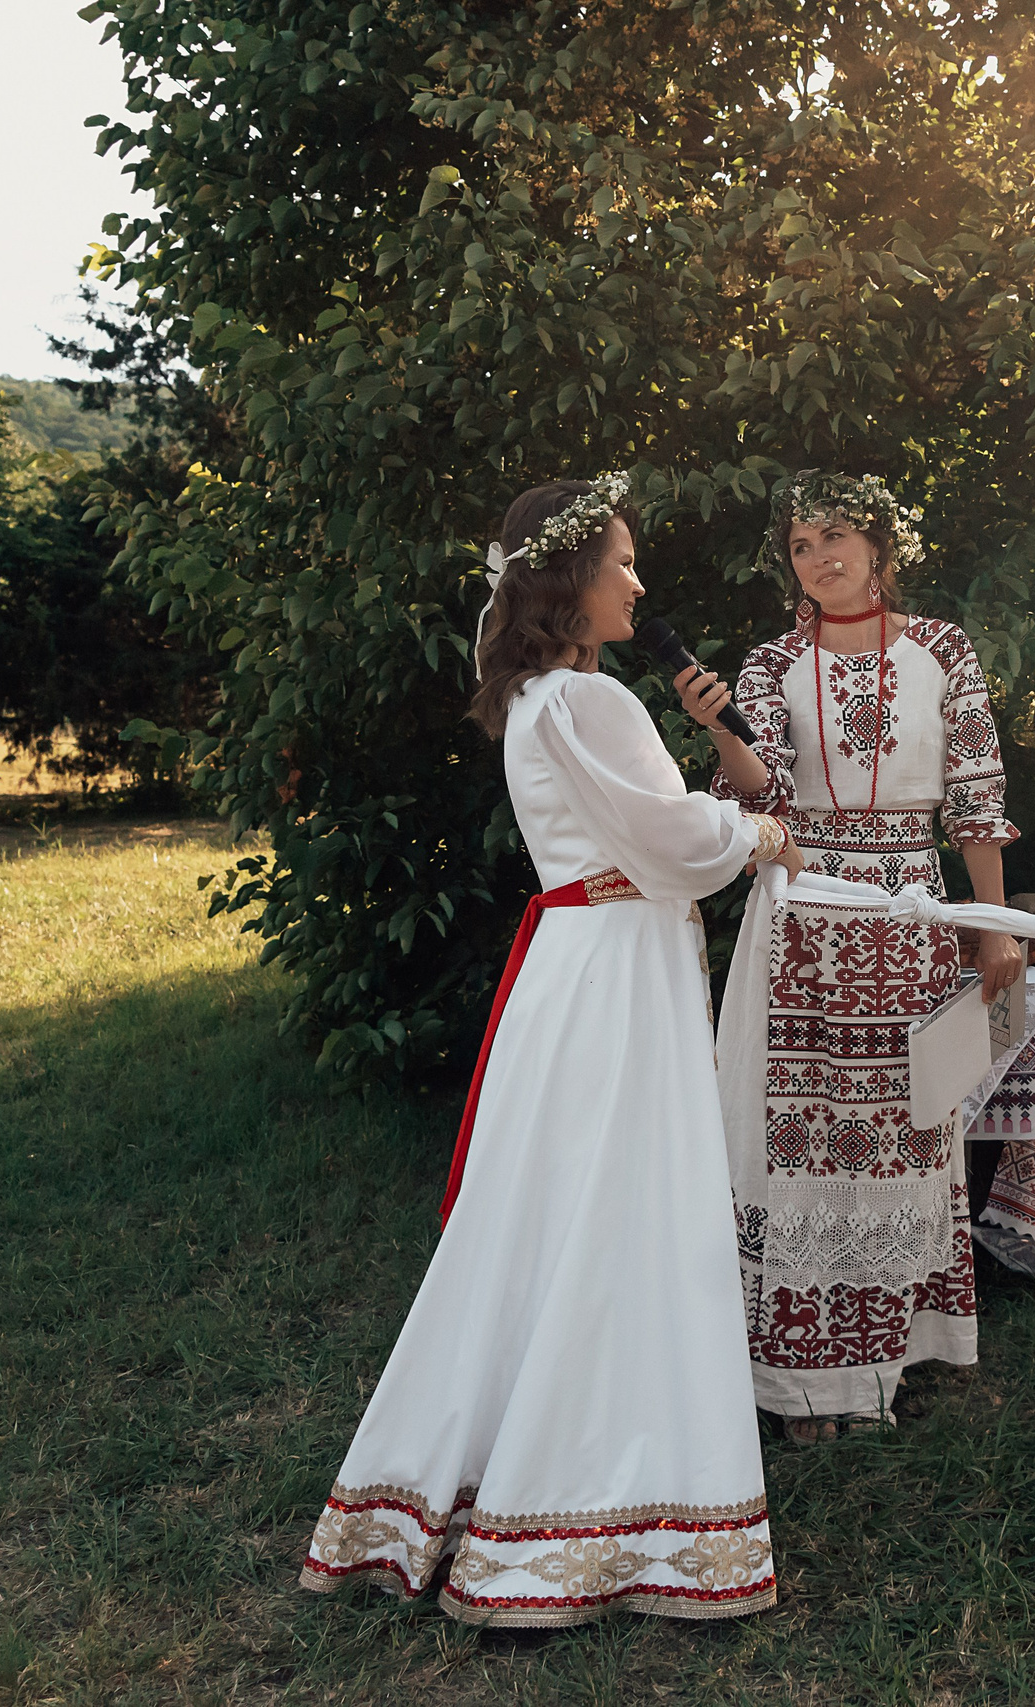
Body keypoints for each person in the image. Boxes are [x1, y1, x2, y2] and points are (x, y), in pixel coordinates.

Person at [299, 476, 800, 1626]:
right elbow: (675, 839)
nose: (638, 581)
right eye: (622, 561)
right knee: (621, 1208)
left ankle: (505, 1473)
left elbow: (656, 833)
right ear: (569, 579)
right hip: (613, 971)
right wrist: (762, 834)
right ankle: (591, 1497)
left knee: (559, 1206)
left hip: (585, 966)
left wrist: (718, 760)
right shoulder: (588, 702)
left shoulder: (547, 699)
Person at [678, 469, 1022, 1442]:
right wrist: (722, 732)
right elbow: (759, 797)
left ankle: (888, 1355)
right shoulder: (769, 663)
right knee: (799, 1129)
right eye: (799, 544)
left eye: (835, 535)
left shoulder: (943, 652)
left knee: (900, 1127)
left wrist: (990, 923)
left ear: (879, 546)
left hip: (909, 907)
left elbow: (976, 795)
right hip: (801, 911)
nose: (820, 556)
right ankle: (800, 1382)